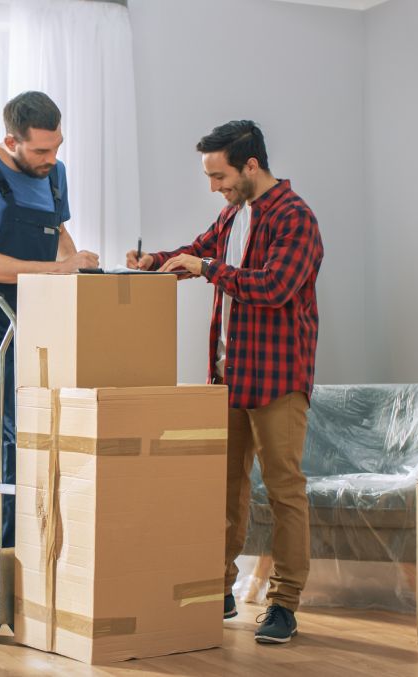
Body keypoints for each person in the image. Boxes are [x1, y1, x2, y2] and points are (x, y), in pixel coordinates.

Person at [126, 120, 323, 644]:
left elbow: (275, 287)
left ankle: (284, 604)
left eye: (219, 175)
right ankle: (220, 591)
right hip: (229, 377)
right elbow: (197, 252)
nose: (214, 187)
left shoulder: (296, 219)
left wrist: (208, 266)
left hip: (278, 379)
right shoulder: (234, 215)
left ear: (251, 165)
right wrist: (157, 262)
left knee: (284, 492)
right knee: (223, 489)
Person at [0, 91, 98, 563]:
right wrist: (58, 270)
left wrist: (82, 267)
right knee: (26, 425)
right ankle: (22, 556)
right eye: (40, 152)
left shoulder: (56, 174)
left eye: (57, 148)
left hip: (35, 313)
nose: (51, 159)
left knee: (2, 440)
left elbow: (58, 239)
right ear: (11, 140)